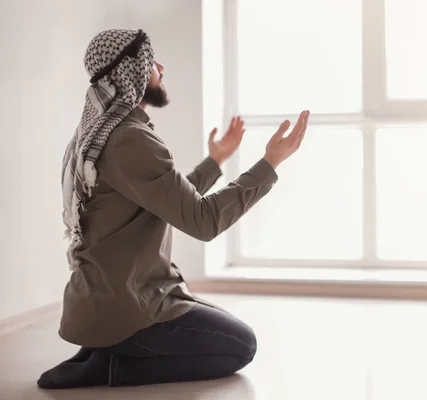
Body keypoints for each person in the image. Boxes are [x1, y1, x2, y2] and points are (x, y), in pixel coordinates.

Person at [37, 28, 310, 389]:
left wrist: (215, 161)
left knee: (213, 318)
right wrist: (269, 164)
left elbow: (170, 203)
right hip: (126, 306)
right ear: (130, 71)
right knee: (242, 346)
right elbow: (203, 221)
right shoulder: (129, 138)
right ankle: (115, 365)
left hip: (101, 301)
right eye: (150, 61)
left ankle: (103, 351)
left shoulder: (102, 132)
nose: (160, 67)